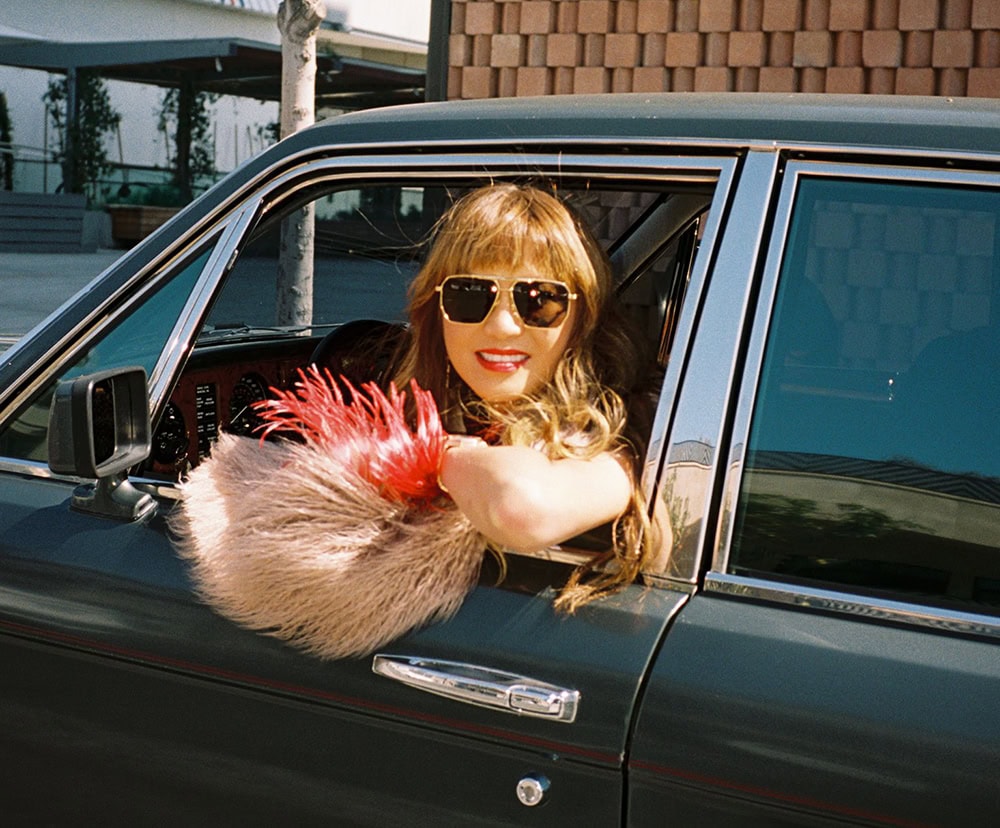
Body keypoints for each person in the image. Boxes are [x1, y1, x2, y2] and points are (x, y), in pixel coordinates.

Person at [391, 183, 660, 611]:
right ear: (434, 310)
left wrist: (418, 458)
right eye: (469, 295)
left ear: (582, 317)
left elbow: (524, 507)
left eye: (539, 300)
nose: (502, 326)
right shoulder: (416, 403)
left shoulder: (627, 427)